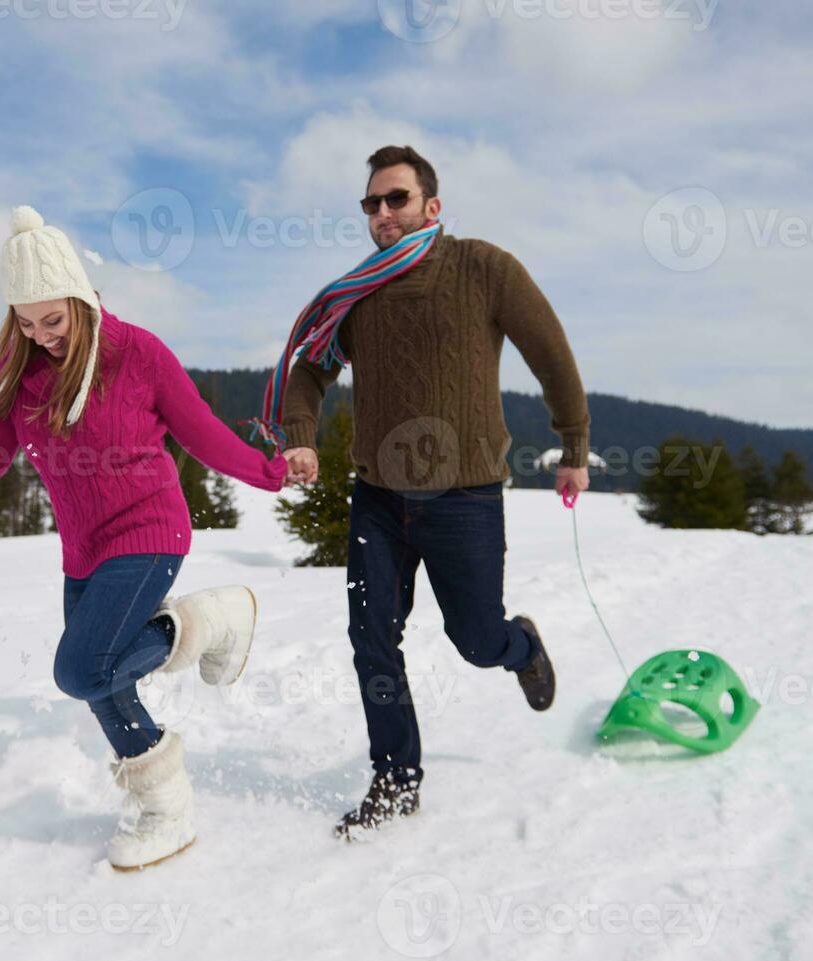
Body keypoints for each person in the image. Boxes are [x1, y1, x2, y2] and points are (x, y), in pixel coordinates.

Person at [0, 206, 293, 870]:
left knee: (80, 669)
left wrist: (266, 471)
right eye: (25, 323)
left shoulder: (138, 353)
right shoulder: (18, 375)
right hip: (84, 550)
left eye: (51, 320)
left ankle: (211, 619)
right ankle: (166, 809)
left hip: (150, 530)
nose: (41, 335)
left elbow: (199, 430)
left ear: (80, 299)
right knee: (104, 683)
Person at [250, 145, 592, 840]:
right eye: (371, 203)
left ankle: (518, 647)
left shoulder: (483, 268)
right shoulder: (355, 291)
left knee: (473, 639)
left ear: (431, 206)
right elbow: (311, 370)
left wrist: (573, 448)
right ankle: (396, 777)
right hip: (377, 495)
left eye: (395, 199)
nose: (382, 213)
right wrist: (299, 434)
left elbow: (549, 352)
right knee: (370, 637)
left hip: (463, 497)